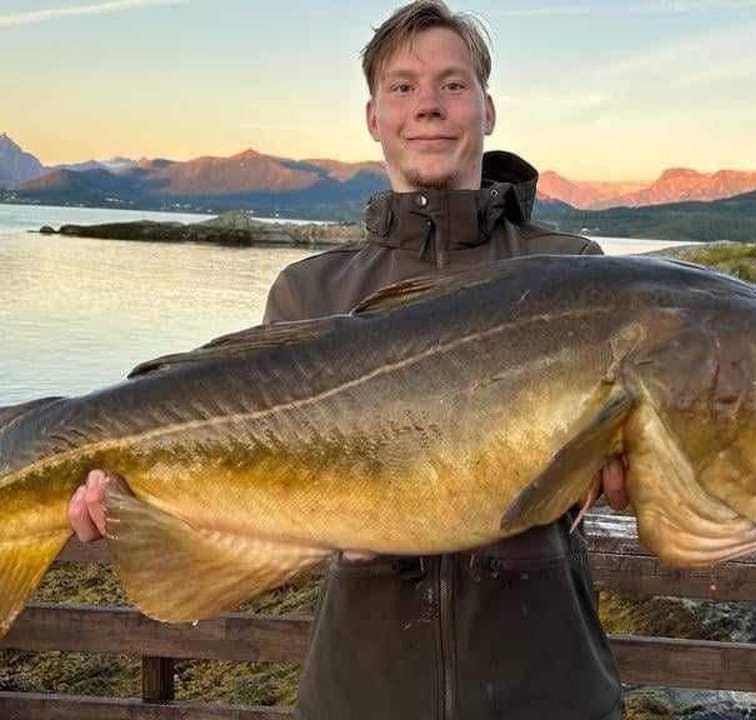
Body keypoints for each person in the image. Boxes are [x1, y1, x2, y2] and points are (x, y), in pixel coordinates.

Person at [69, 2, 628, 717]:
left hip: (550, 693)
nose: (428, 104)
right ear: (374, 116)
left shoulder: (574, 275)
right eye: (403, 87)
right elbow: (252, 501)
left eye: (452, 84)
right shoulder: (309, 293)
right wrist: (139, 501)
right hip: (360, 693)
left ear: (487, 110)